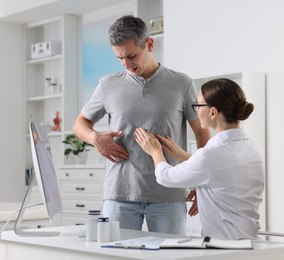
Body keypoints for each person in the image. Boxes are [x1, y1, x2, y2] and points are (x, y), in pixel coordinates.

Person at [73, 15, 210, 235]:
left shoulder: (181, 84)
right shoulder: (108, 85)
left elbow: (202, 133)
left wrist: (202, 183)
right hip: (119, 196)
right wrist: (95, 138)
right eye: (120, 58)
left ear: (149, 44)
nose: (127, 64)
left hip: (169, 196)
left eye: (131, 56)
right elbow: (80, 123)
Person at [134, 78, 265, 239]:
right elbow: (223, 170)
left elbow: (165, 177)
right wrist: (186, 156)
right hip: (250, 243)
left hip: (225, 247)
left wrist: (155, 151)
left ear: (212, 112)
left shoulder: (210, 155)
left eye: (198, 105)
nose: (196, 111)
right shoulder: (251, 146)